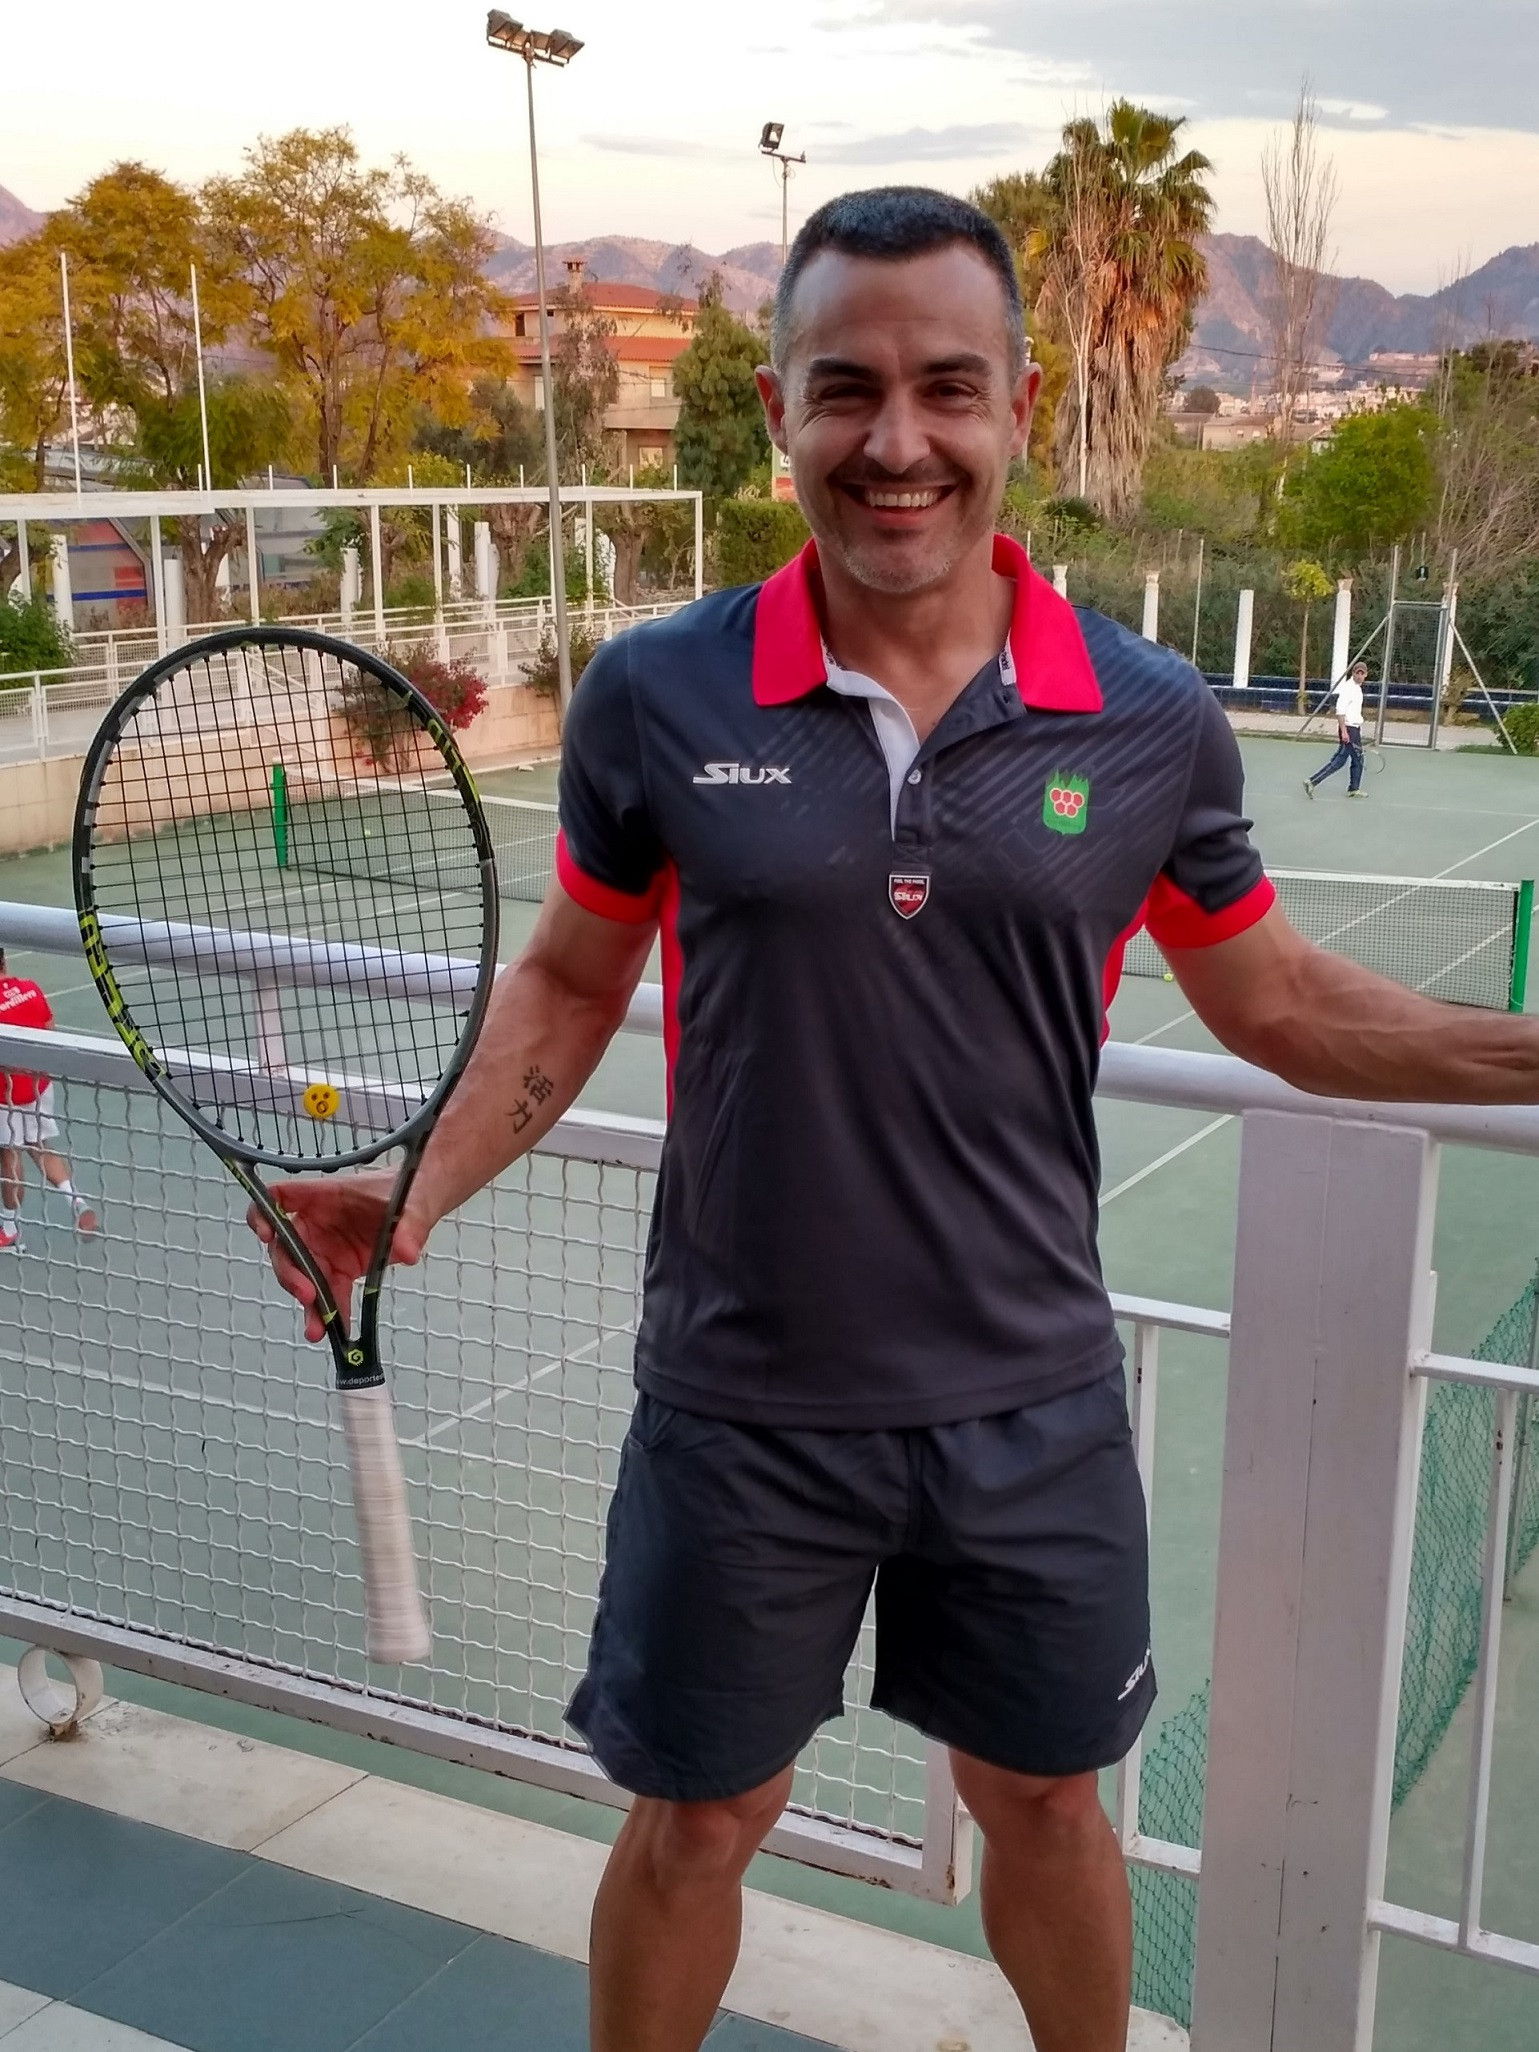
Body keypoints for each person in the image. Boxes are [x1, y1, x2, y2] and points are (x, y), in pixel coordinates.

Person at [249, 189, 1539, 2052]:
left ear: (1018, 407)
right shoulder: (657, 695)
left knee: (1045, 1803)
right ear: (777, 410)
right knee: (699, 1821)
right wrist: (417, 1180)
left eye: (945, 386)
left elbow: (1279, 1006)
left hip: (1027, 1398)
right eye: (844, 389)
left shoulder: (1147, 719)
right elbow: (571, 983)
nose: (896, 441)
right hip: (739, 1402)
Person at [0, 948, 100, 1249]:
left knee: (10, 1156)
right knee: (40, 1145)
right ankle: (76, 1200)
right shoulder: (31, 989)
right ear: (4, 961)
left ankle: (9, 1229)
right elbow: (50, 1032)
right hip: (39, 1086)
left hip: (4, 1094)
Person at [1305, 658, 1369, 798]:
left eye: (1362, 673)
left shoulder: (1357, 688)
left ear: (1366, 675)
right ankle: (1312, 781)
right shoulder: (1348, 688)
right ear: (1353, 673)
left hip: (1354, 729)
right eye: (1357, 673)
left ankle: (1353, 788)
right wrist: (1344, 731)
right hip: (1349, 729)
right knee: (1341, 761)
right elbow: (1340, 711)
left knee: (1357, 759)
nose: (1359, 676)